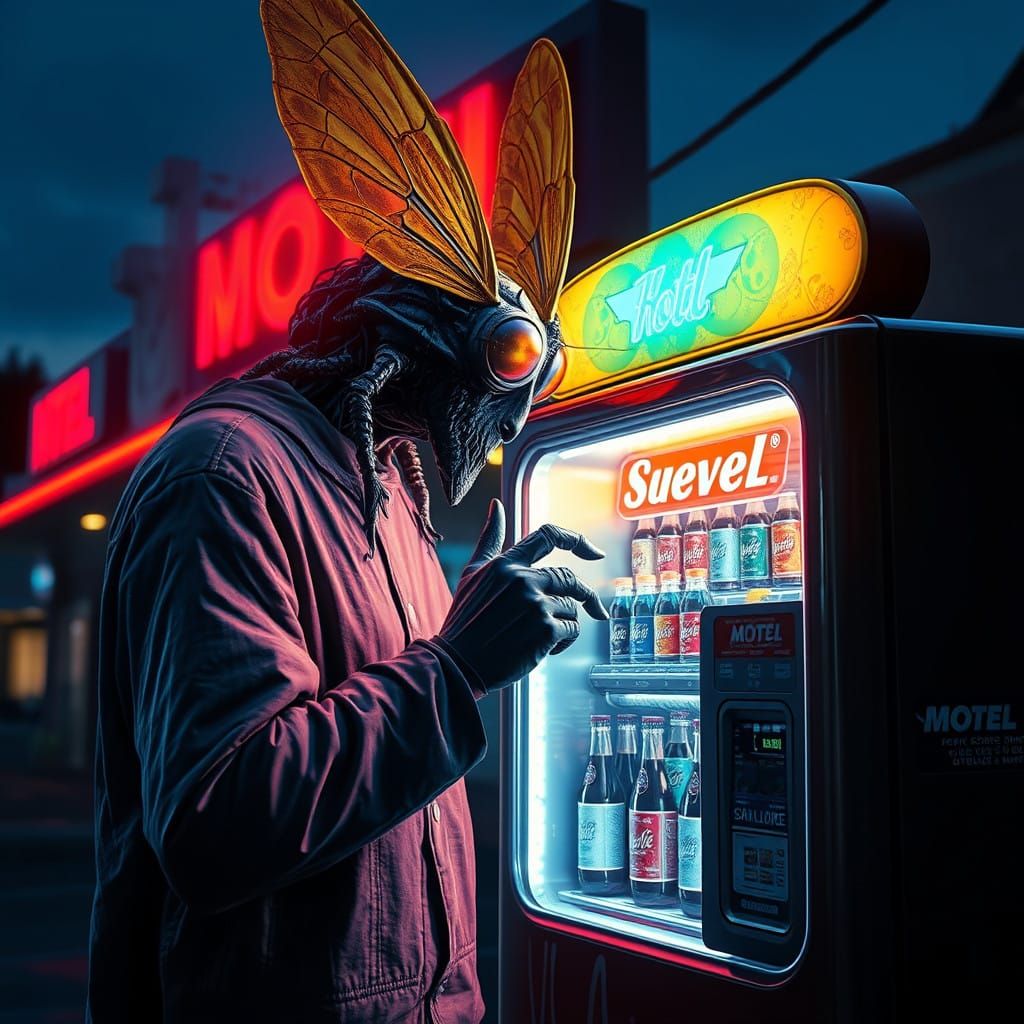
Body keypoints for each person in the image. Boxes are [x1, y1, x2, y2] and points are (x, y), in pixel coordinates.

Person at [86, 2, 596, 1021]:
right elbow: (215, 820)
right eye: (489, 391)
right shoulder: (227, 474)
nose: (488, 431)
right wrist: (453, 670)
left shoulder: (392, 491)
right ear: (410, 346)